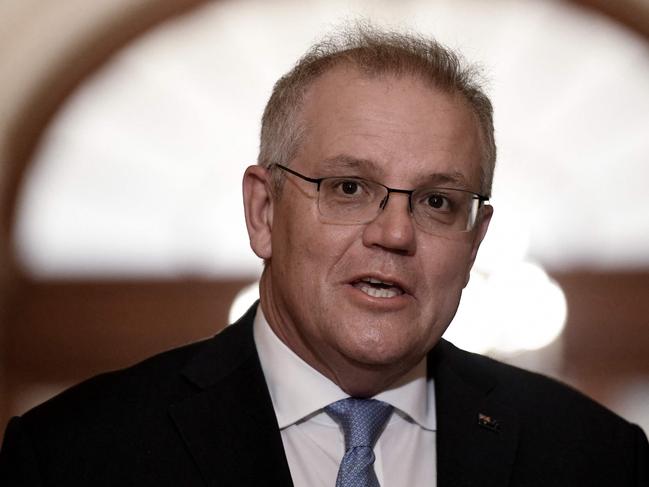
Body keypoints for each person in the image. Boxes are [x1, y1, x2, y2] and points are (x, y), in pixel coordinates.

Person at [1, 25, 647, 487]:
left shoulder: (592, 457)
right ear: (263, 212)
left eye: (438, 202)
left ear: (475, 241)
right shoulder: (75, 455)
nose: (393, 234)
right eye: (348, 188)